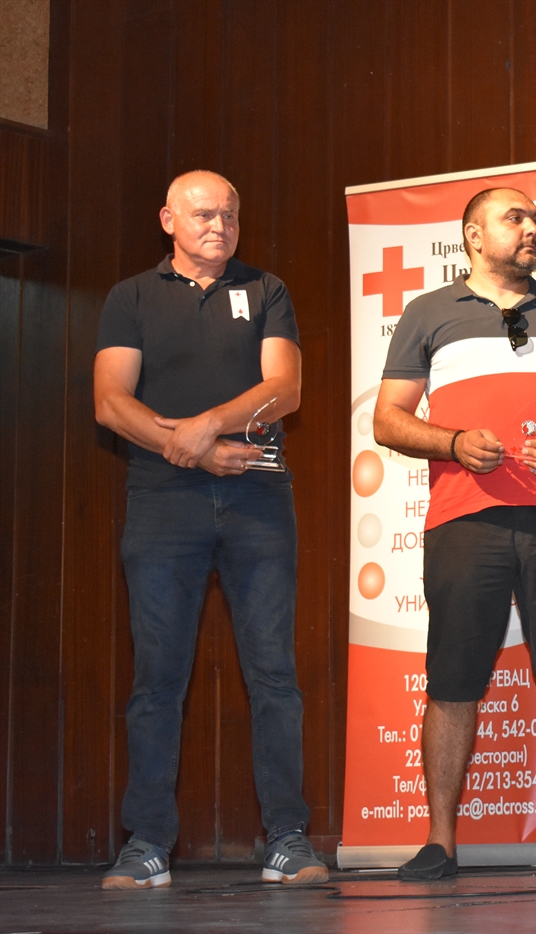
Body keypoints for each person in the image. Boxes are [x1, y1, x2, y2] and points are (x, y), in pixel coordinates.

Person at [374, 187, 536, 880]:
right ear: (473, 235)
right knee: (453, 682)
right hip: (465, 521)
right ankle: (440, 843)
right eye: (514, 218)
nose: (531, 228)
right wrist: (453, 442)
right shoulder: (429, 312)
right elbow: (388, 419)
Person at [94, 171, 326, 888]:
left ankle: (287, 837)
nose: (219, 225)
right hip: (163, 504)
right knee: (157, 678)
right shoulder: (131, 297)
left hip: (259, 501)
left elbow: (284, 389)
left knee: (274, 674)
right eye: (203, 214)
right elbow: (110, 402)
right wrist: (193, 449)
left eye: (229, 214)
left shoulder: (266, 289)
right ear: (168, 219)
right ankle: (147, 843)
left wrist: (207, 427)